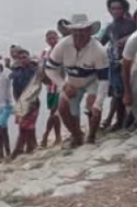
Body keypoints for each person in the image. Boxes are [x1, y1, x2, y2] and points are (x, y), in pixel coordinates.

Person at [45, 14, 110, 147]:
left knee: (93, 107)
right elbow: (49, 69)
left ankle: (91, 136)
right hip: (72, 80)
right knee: (62, 109)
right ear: (71, 31)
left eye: (83, 30)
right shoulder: (62, 45)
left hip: (92, 80)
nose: (79, 34)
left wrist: (99, 103)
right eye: (76, 30)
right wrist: (63, 85)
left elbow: (104, 79)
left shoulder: (98, 50)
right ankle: (77, 135)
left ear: (89, 30)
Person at [98, 0, 137, 132]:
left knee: (132, 91)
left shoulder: (131, 24)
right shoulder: (109, 27)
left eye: (119, 8)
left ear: (124, 9)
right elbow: (99, 44)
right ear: (109, 10)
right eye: (113, 8)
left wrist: (127, 39)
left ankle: (133, 118)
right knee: (117, 94)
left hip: (130, 62)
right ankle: (119, 121)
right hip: (114, 64)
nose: (116, 11)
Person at [9, 47, 41, 158]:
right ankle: (32, 146)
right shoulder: (16, 71)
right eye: (20, 58)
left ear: (28, 58)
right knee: (25, 126)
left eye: (24, 57)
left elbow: (43, 65)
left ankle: (18, 149)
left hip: (33, 102)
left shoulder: (34, 70)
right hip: (20, 103)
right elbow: (14, 88)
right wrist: (17, 102)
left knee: (25, 126)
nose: (23, 60)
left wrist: (34, 61)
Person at [40, 30, 62, 148]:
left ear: (57, 38)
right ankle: (58, 136)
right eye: (49, 39)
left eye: (54, 38)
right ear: (46, 40)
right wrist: (43, 79)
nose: (52, 41)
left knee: (55, 111)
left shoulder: (61, 49)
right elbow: (41, 68)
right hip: (50, 87)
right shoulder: (45, 52)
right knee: (54, 112)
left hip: (61, 85)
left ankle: (45, 135)